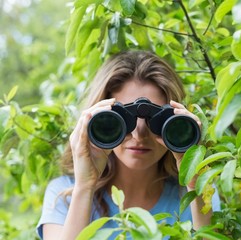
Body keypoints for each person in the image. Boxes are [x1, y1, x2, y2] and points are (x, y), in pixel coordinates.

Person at [36, 50, 220, 239]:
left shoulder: (198, 195)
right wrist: (85, 186)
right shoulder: (64, 195)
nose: (139, 135)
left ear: (175, 121)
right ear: (96, 120)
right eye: (122, 120)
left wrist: (193, 180)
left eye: (155, 121)